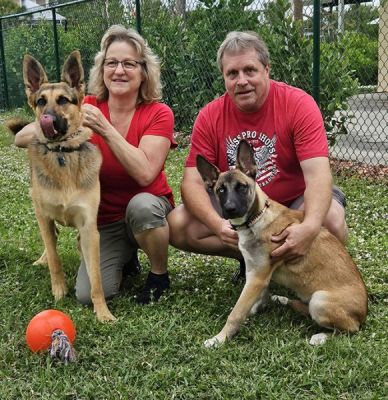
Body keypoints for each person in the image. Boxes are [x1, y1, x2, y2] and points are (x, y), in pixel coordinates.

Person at [14, 25, 176, 304]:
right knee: (87, 296)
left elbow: (145, 173)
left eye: (129, 63)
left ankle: (158, 275)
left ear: (144, 71)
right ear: (102, 70)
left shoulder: (158, 113)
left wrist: (105, 128)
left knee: (143, 207)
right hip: (105, 220)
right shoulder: (84, 105)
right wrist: (58, 127)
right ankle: (125, 258)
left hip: (146, 209)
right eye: (111, 63)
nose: (119, 70)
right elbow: (20, 137)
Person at [168, 30, 348, 279]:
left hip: (291, 204)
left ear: (266, 69)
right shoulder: (210, 116)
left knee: (331, 221)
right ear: (224, 77)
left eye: (249, 70)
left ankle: (300, 269)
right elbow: (191, 184)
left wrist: (309, 226)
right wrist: (218, 225)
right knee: (177, 225)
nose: (241, 80)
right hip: (238, 205)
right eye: (232, 73)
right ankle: (252, 260)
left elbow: (318, 176)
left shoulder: (298, 105)